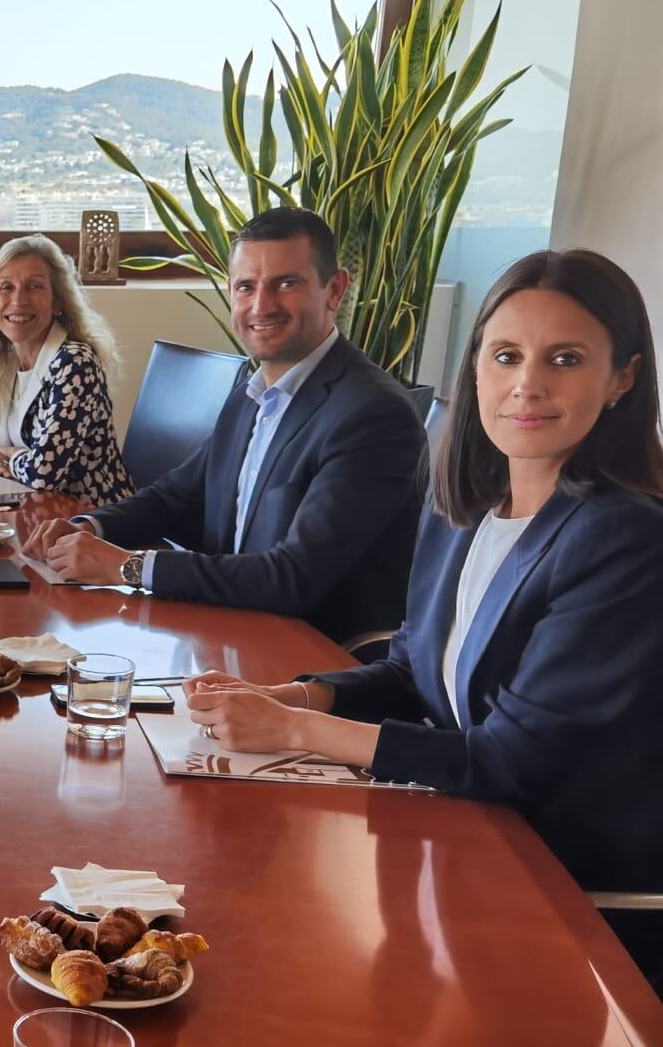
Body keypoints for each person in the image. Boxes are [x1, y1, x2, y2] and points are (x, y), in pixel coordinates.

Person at [184, 249, 663, 984]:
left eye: (564, 359)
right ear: (476, 369)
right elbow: (414, 668)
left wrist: (295, 731)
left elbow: (511, 761)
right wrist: (298, 695)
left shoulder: (623, 538)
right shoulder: (465, 508)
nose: (526, 384)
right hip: (449, 834)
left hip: (554, 890)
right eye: (505, 356)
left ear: (622, 378)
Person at [27, 207, 424, 643]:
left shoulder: (371, 414)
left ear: (335, 290)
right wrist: (89, 529)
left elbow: (292, 580)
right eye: (245, 287)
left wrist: (126, 566)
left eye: (286, 284)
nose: (261, 306)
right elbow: (175, 498)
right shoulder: (252, 394)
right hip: (226, 630)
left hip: (308, 661)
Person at [0, 233, 132, 507]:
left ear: (58, 303)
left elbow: (44, 474)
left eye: (35, 287)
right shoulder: (2, 362)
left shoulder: (74, 362)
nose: (19, 300)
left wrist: (7, 454)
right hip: (30, 513)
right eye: (6, 287)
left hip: (90, 522)